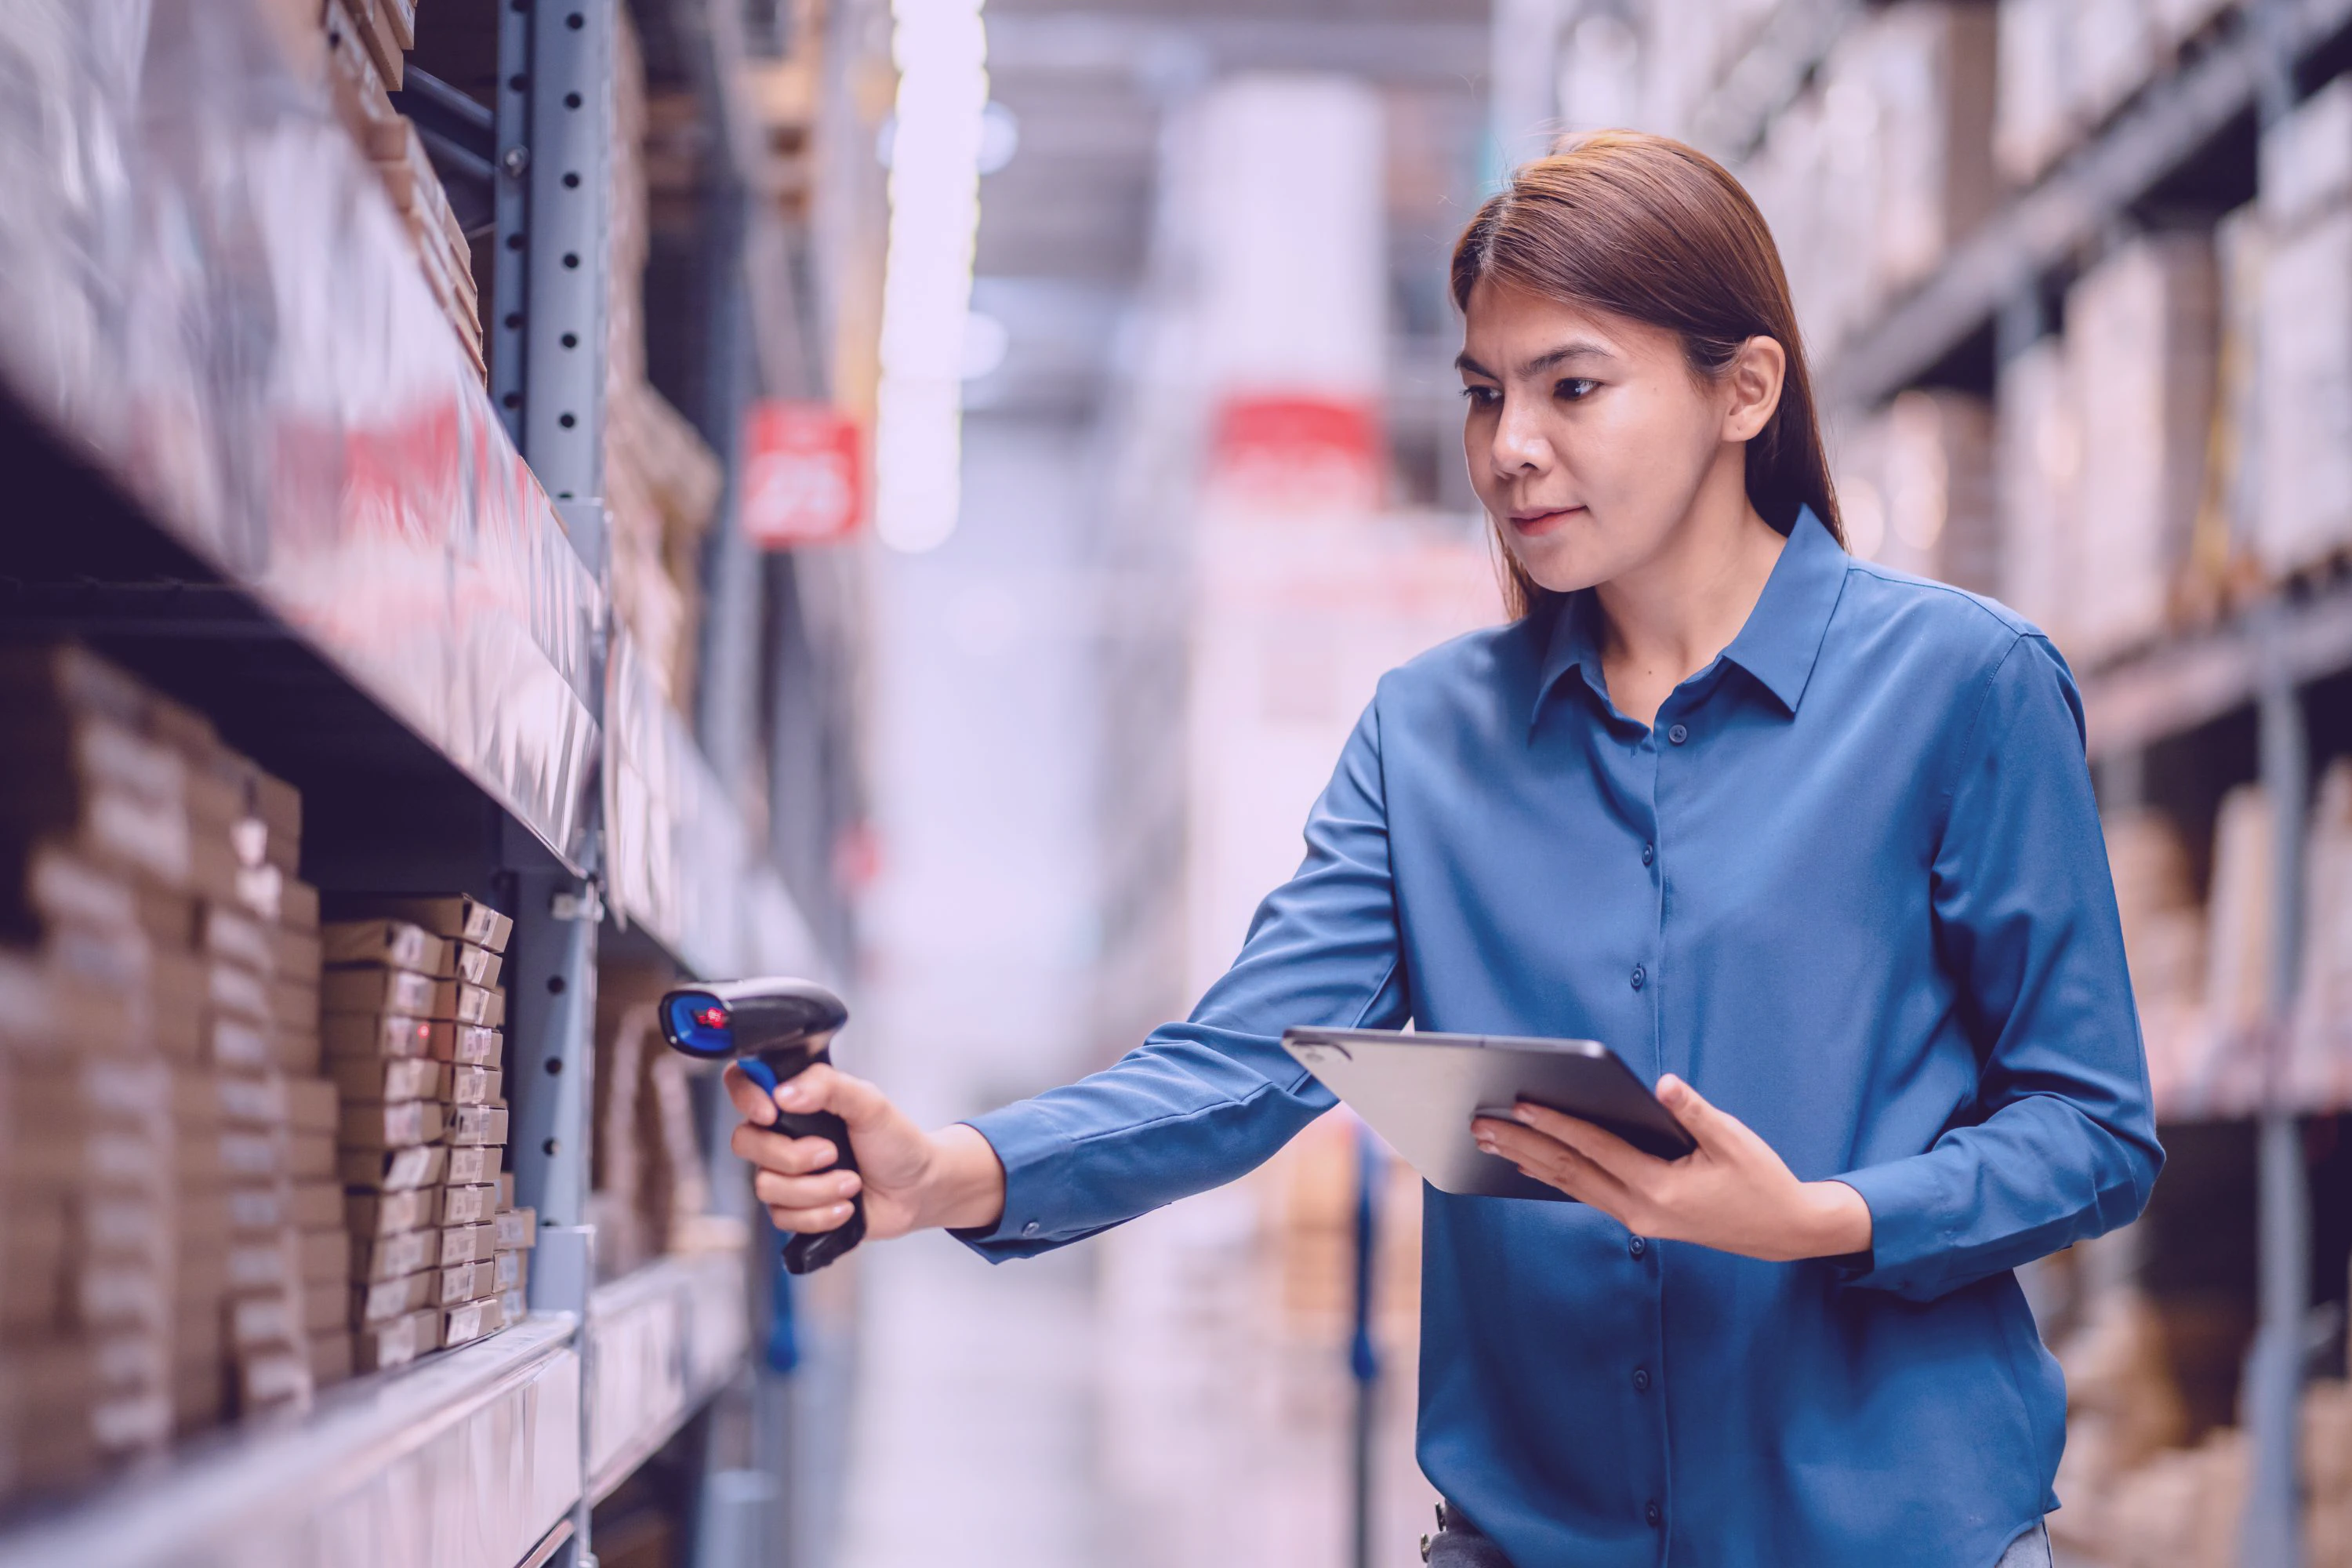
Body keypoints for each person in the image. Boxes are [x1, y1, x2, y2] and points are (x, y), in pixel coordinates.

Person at [724, 131, 2161, 1568]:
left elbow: (2090, 1129)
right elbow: (1244, 1067)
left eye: (1573, 386)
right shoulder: (1429, 739)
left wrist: (1823, 1219)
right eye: (1484, 395)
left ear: (1746, 390)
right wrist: (949, 1170)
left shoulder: (1959, 689)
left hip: (1890, 1538)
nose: (1510, 447)